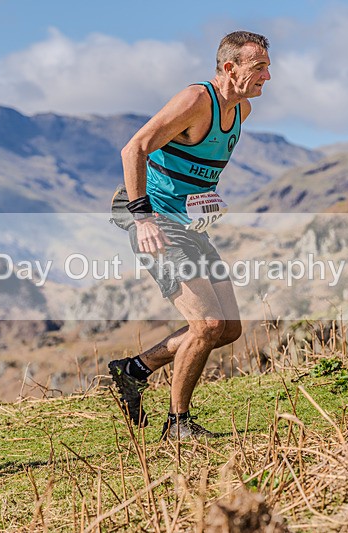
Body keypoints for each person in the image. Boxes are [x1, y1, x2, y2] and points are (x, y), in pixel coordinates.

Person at [109, 31, 271, 440]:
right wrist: (141, 217)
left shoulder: (243, 110)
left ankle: (134, 370)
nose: (268, 76)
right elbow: (135, 149)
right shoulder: (197, 100)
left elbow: (194, 167)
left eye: (268, 67)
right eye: (260, 67)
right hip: (156, 220)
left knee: (229, 328)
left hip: (188, 223)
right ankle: (177, 424)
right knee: (206, 324)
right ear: (230, 68)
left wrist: (207, 201)